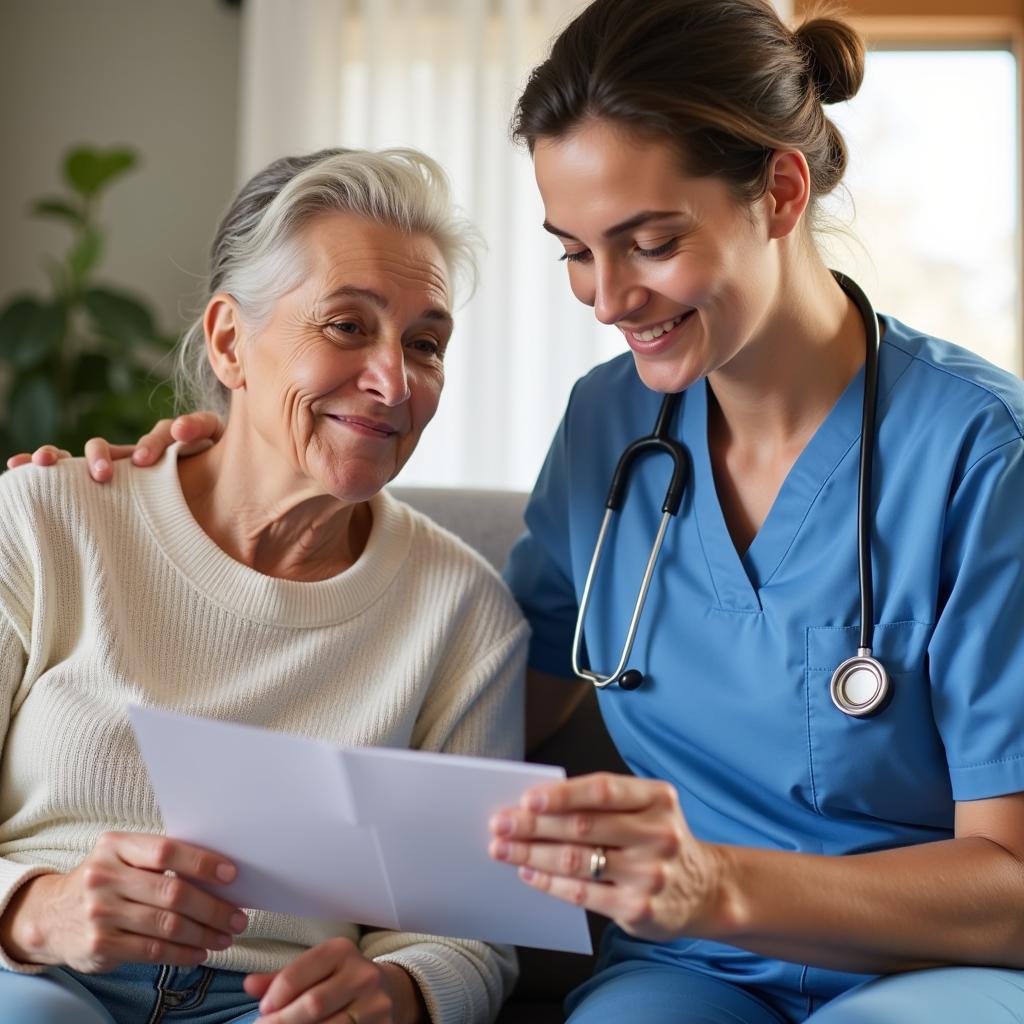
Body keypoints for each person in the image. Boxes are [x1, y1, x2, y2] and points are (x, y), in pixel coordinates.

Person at [12, 1, 1024, 1021]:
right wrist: (188, 494)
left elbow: (1014, 881)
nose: (607, 297)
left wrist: (707, 885)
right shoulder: (610, 428)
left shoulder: (981, 456)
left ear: (780, 192)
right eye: (576, 252)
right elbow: (466, 723)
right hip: (692, 966)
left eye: (651, 241)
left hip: (922, 965)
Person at [0, 148, 527, 1024]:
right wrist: (33, 911)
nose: (393, 381)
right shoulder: (43, 521)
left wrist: (398, 991)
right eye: (348, 326)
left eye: (425, 344)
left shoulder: (465, 613)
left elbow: (471, 938)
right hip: (35, 980)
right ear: (229, 341)